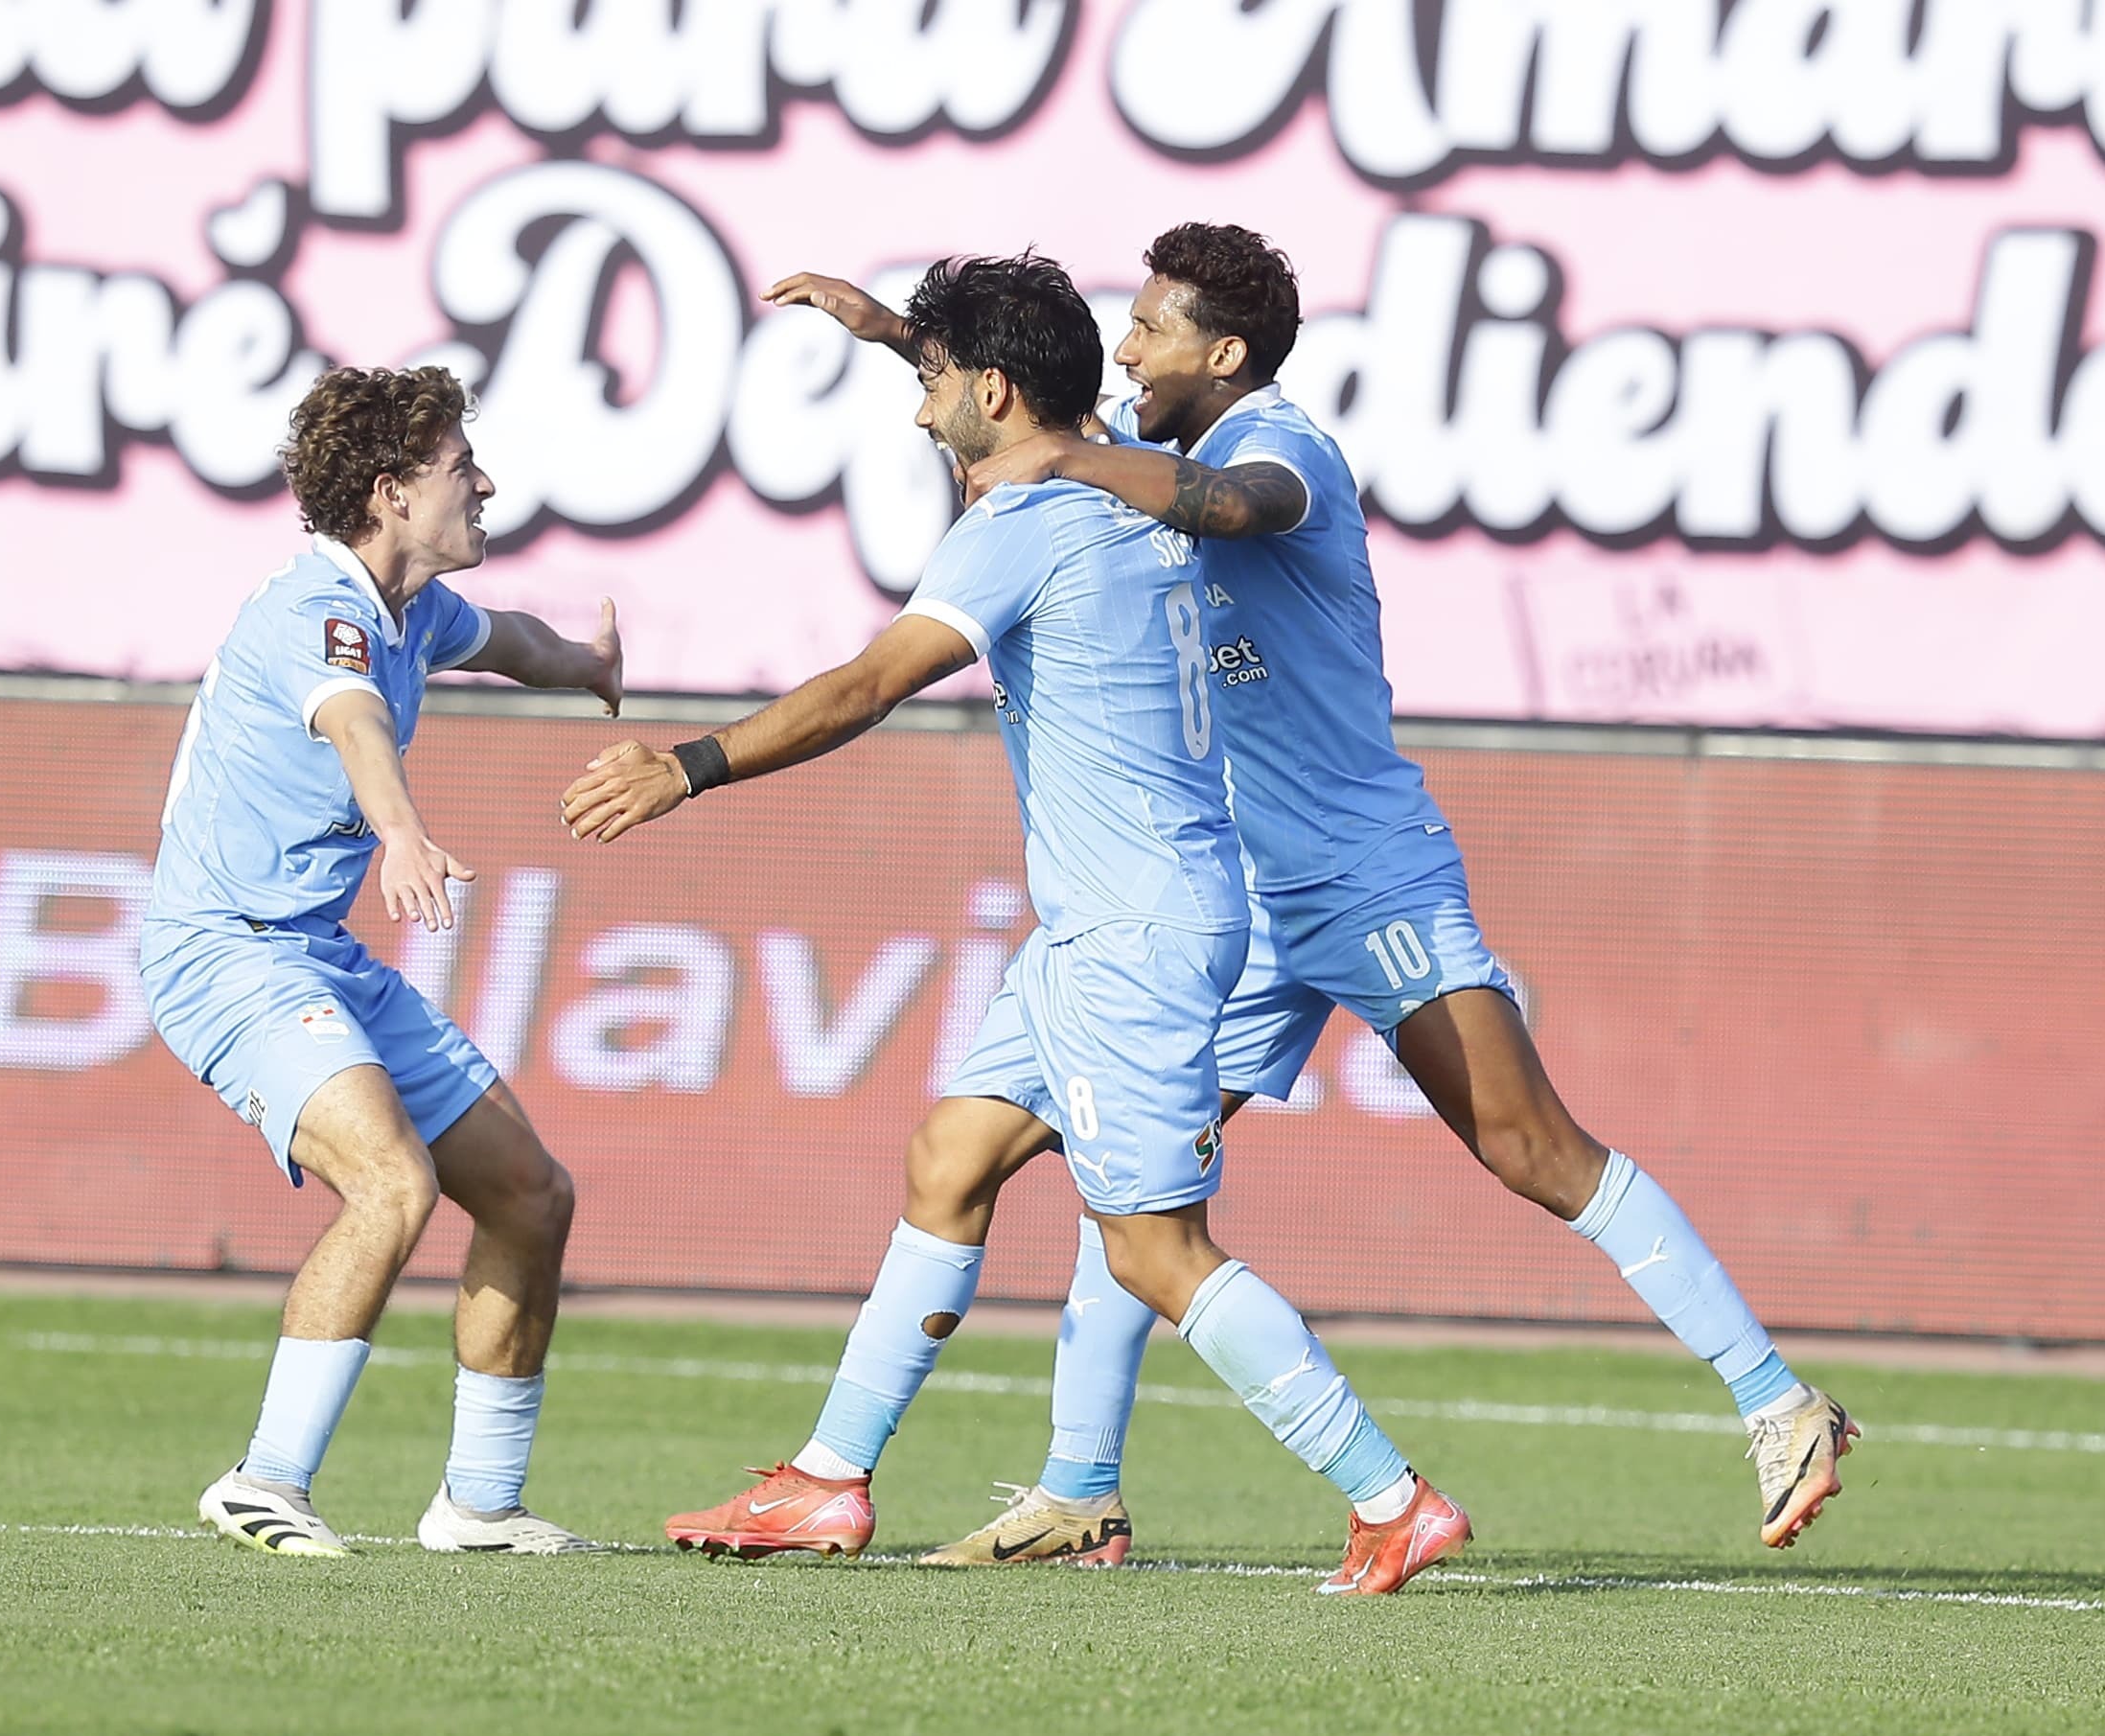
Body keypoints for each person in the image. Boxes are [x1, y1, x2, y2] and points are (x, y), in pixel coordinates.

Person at [766, 223, 1857, 1569]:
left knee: (1530, 1149)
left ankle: (1781, 1403)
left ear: (1222, 354)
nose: (1128, 349)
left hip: (1361, 873)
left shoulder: (1282, 448)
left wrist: (1062, 450)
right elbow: (1036, 410)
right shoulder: (1143, 448)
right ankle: (1078, 1486)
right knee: (1139, 1194)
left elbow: (1239, 507)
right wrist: (900, 341)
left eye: (1153, 330)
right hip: (1244, 894)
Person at [564, 253, 1472, 1597]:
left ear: (992, 388)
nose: (920, 414)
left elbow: (874, 681)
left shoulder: (1024, 525)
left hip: (1135, 934)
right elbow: (1027, 429)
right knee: (954, 1155)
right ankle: (826, 1480)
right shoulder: (1112, 477)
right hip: (1110, 922)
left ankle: (1390, 1499)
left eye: (935, 386)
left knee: (1154, 1249)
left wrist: (690, 763)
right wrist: (897, 336)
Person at [143, 364, 622, 1558]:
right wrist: (402, 830)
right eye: (464, 467)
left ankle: (478, 1504)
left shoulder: (412, 606)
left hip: (316, 953)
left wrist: (586, 666)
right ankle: (265, 1480)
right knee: (395, 1185)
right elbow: (352, 718)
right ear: (392, 492)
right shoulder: (322, 613)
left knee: (530, 1195)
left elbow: (502, 637)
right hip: (226, 953)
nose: (488, 482)